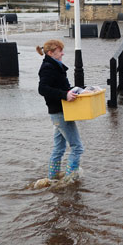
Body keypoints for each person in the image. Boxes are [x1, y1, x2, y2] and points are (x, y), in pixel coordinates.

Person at [36, 39, 84, 181]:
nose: (63, 53)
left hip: (60, 112)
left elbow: (61, 86)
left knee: (59, 148)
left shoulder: (55, 65)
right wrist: (65, 95)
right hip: (60, 112)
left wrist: (75, 91)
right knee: (77, 147)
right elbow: (42, 89)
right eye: (59, 51)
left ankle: (52, 179)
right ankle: (70, 179)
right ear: (51, 53)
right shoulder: (48, 67)